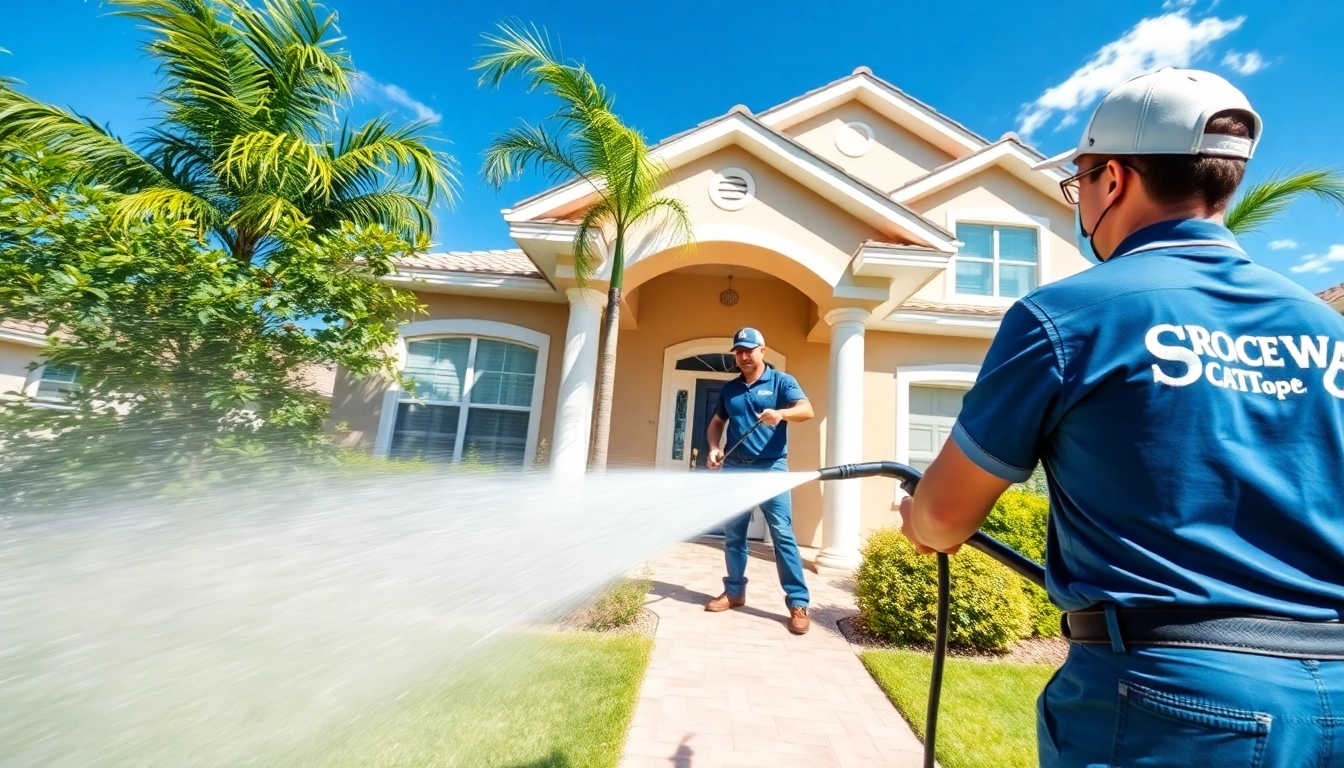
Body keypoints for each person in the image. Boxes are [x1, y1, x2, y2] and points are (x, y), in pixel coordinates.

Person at [899, 69, 1344, 766]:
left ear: (1114, 177)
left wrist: (920, 517)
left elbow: (945, 517)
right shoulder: (1326, 327)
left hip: (1174, 702)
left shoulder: (1069, 316)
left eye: (1079, 182)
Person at [704, 327, 815, 635]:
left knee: (782, 534)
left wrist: (781, 413)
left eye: (748, 350)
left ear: (763, 350)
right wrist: (714, 448)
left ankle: (797, 602)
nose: (743, 356)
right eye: (738, 351)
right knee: (734, 533)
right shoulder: (730, 390)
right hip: (735, 469)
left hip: (772, 468)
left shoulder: (782, 382)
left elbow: (806, 410)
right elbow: (716, 423)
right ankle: (735, 591)